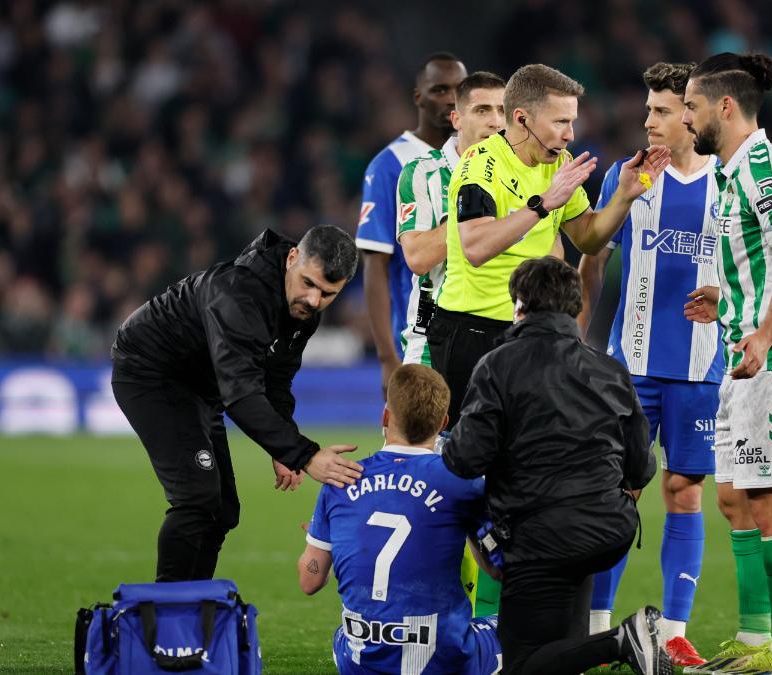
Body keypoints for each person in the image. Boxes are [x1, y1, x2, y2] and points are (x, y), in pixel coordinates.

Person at [441, 256, 670, 675]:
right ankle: (608, 642)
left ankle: (625, 638)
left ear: (519, 305)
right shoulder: (610, 370)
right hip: (607, 529)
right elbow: (641, 467)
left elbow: (466, 458)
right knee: (563, 652)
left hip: (539, 536)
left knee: (522, 665)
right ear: (574, 308)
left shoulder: (498, 365)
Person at [677, 52, 772, 675]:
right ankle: (758, 638)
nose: (687, 119)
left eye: (691, 107)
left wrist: (763, 333)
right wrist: (727, 298)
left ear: (724, 107)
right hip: (746, 357)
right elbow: (765, 262)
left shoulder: (762, 168)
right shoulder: (736, 173)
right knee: (736, 499)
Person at [111, 226, 364, 582]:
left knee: (223, 511)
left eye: (327, 293)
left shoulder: (303, 309)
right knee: (197, 499)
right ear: (292, 258)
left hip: (204, 386)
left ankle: (193, 610)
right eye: (308, 283)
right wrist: (304, 454)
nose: (313, 300)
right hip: (153, 372)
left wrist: (283, 443)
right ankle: (168, 622)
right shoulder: (239, 293)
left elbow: (275, 378)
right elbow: (241, 395)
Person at [429, 63, 669, 427]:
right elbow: (475, 247)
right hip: (472, 331)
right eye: (560, 122)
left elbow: (588, 238)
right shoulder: (479, 165)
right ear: (522, 119)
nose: (571, 134)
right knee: (470, 454)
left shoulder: (559, 164)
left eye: (572, 122)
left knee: (528, 451)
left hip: (530, 331)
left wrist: (624, 196)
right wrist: (543, 204)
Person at [576, 62, 720, 668]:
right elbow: (592, 255)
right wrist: (583, 338)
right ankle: (600, 628)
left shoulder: (729, 179)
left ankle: (673, 630)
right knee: (616, 495)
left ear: (691, 114)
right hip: (628, 367)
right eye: (648, 109)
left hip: (700, 367)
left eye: (661, 111)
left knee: (684, 492)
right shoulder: (626, 174)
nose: (648, 121)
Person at [297, 364, 502, 675]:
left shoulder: (340, 479)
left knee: (343, 636)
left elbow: (309, 581)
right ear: (444, 423)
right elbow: (496, 569)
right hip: (445, 661)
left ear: (385, 417)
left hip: (361, 661)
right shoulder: (462, 481)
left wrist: (317, 535)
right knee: (518, 628)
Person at [358, 53, 467, 394]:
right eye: (439, 89)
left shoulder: (483, 159)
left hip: (470, 328)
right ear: (418, 97)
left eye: (459, 89)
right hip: (416, 335)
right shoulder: (389, 165)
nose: (450, 98)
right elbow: (376, 263)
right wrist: (387, 357)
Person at [398, 71, 507, 367]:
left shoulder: (527, 174)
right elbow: (418, 257)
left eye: (503, 111)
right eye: (482, 110)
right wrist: (478, 216)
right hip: (432, 337)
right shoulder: (423, 172)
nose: (495, 122)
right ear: (456, 119)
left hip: (507, 335)